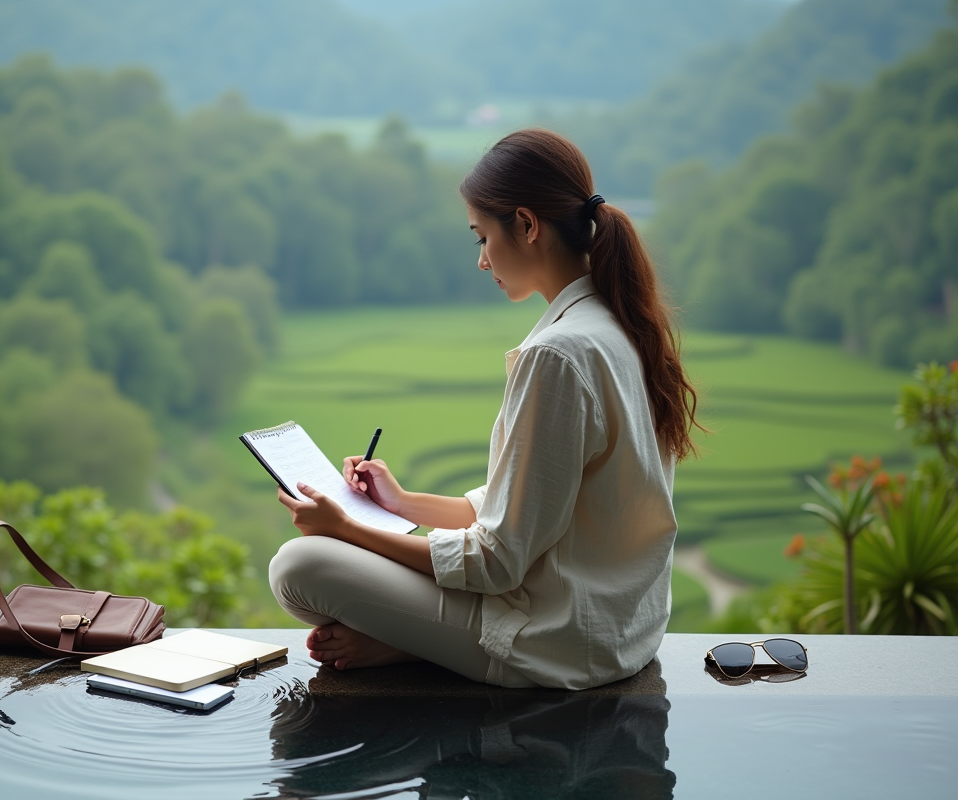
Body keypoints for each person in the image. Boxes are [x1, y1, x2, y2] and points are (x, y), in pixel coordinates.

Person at [269, 129, 701, 690]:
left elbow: (498, 562)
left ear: (525, 225)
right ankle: (414, 643)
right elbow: (529, 512)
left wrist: (347, 530)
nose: (481, 261)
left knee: (297, 569)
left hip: (557, 642)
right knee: (320, 562)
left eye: (481, 237)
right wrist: (403, 503)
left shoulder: (558, 355)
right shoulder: (618, 323)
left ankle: (413, 645)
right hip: (620, 633)